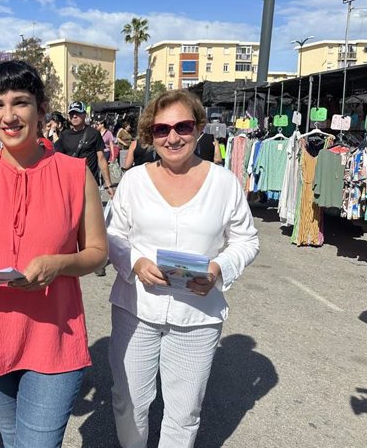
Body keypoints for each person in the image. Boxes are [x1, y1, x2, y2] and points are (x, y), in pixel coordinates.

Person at [0, 60, 108, 448]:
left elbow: (98, 253)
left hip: (54, 336)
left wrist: (60, 264)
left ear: (40, 108)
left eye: (20, 102)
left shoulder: (74, 174)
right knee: (14, 439)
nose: (9, 115)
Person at [106, 89, 259, 448]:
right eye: (161, 130)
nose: (173, 137)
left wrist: (219, 268)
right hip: (136, 308)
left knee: (184, 412)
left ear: (199, 127)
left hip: (198, 316)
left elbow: (247, 240)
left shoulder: (223, 183)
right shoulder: (134, 181)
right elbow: (112, 234)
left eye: (182, 126)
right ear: (150, 135)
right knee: (128, 401)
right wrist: (136, 263)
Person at [55, 101, 114, 197]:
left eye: (77, 113)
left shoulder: (93, 133)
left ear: (84, 115)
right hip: (70, 184)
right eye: (71, 113)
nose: (74, 116)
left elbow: (101, 159)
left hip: (89, 183)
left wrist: (108, 185)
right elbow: (57, 158)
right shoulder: (64, 135)